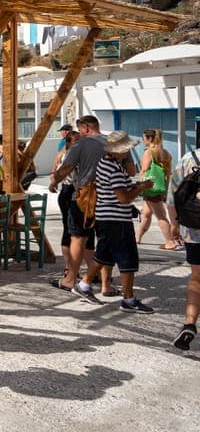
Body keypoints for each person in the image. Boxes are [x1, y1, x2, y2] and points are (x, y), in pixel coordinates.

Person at [72, 130, 155, 313]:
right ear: (120, 150)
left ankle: (84, 285)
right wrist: (141, 187)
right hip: (116, 219)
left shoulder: (106, 164)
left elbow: (118, 189)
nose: (128, 152)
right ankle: (128, 299)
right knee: (127, 259)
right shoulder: (114, 168)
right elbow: (123, 198)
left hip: (106, 217)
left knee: (104, 255)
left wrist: (134, 186)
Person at [49, 115, 131, 299]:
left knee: (78, 237)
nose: (80, 133)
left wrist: (54, 182)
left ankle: (70, 279)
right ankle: (106, 284)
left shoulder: (80, 145)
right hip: (110, 198)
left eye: (80, 129)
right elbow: (131, 170)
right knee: (104, 240)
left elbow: (66, 169)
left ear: (86, 127)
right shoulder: (116, 142)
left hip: (84, 198)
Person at [168, 150, 200, 350]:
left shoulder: (189, 159)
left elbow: (172, 196)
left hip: (194, 231)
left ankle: (189, 323)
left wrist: (174, 225)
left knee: (197, 278)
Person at [135, 129, 178, 249]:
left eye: (144, 138)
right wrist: (165, 190)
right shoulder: (166, 153)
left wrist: (137, 186)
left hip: (150, 187)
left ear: (149, 139)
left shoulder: (149, 152)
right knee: (146, 214)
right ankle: (137, 237)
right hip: (159, 187)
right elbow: (168, 173)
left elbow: (144, 170)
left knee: (161, 216)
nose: (143, 140)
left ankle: (170, 242)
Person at [52, 130, 80, 278]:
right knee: (69, 229)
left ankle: (72, 267)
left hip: (74, 192)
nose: (79, 143)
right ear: (68, 143)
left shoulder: (74, 154)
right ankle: (68, 267)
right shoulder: (68, 155)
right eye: (76, 141)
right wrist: (53, 183)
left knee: (76, 231)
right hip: (69, 192)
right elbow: (60, 173)